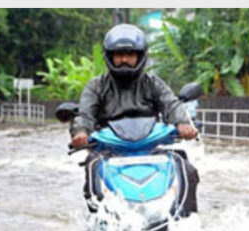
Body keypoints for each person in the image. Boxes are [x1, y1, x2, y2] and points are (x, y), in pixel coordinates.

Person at [69, 24, 200, 214]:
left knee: (185, 165)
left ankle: (185, 220)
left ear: (140, 56)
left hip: (150, 146)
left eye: (130, 55)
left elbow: (171, 104)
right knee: (92, 165)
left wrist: (183, 124)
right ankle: (98, 221)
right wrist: (81, 132)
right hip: (109, 150)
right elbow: (85, 114)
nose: (124, 60)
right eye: (119, 54)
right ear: (109, 56)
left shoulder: (153, 83)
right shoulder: (96, 86)